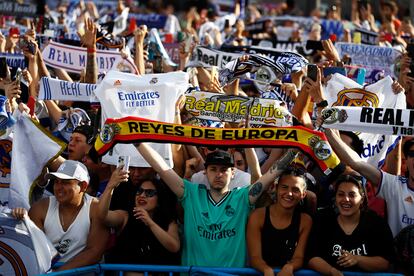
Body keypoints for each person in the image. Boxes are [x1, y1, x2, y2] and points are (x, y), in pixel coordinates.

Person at [136, 143, 297, 267]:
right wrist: (137, 143)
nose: (218, 174)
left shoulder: (242, 197)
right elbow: (162, 168)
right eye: (213, 169)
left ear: (233, 173)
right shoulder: (191, 194)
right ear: (205, 172)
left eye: (224, 170)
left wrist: (295, 150)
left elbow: (271, 174)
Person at [11, 160, 108, 271]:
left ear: (83, 186)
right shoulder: (40, 208)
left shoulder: (96, 208)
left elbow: (95, 252)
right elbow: (35, 250)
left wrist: (59, 274)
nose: (58, 187)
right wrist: (23, 221)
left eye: (65, 182)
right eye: (57, 182)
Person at [325, 129, 414, 237]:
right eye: (412, 154)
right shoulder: (394, 185)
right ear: (407, 158)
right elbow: (357, 163)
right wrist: (331, 134)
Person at [307, 174, 394, 275]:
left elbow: (385, 263)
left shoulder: (376, 223)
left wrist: (357, 259)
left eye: (352, 195)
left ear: (362, 199)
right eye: (341, 194)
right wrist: (332, 271)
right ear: (335, 198)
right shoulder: (323, 220)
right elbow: (311, 257)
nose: (346, 199)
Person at [98, 168, 180, 266]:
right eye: (139, 191)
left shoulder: (169, 221)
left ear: (159, 200)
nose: (142, 195)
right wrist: (110, 186)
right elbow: (102, 216)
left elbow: (174, 247)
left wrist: (150, 222)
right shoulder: (125, 216)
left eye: (149, 193)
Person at [247, 166, 312, 276]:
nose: (289, 193)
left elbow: (299, 257)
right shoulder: (257, 216)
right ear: (276, 188)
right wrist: (266, 270)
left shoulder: (305, 221)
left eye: (295, 190)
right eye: (284, 187)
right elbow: (254, 257)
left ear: (303, 194)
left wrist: (290, 267)